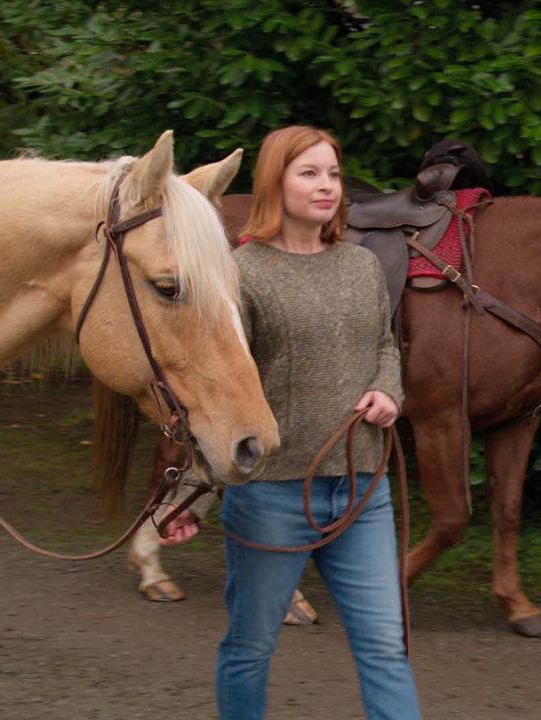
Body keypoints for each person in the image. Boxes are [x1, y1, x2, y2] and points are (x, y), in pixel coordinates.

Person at [159, 125, 420, 720]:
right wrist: (190, 498)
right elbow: (214, 393)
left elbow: (385, 346)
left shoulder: (360, 265)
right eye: (309, 173)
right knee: (251, 648)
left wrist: (388, 390)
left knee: (386, 649)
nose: (326, 185)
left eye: (332, 173)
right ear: (275, 182)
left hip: (362, 493)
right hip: (271, 493)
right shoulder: (240, 274)